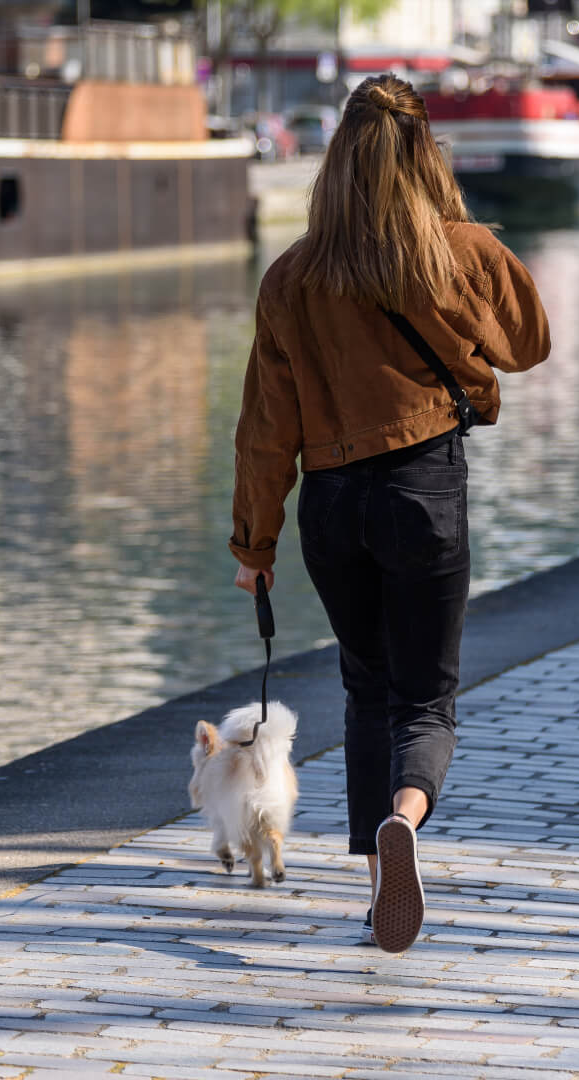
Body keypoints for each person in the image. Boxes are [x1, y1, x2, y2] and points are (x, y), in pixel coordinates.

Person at [228, 73, 550, 953]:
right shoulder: (458, 251)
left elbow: (265, 431)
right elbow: (529, 343)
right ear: (424, 158)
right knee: (428, 702)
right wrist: (457, 225)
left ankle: (380, 892)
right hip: (424, 491)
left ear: (335, 165)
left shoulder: (291, 277)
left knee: (365, 690)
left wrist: (253, 544)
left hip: (332, 509)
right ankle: (405, 819)